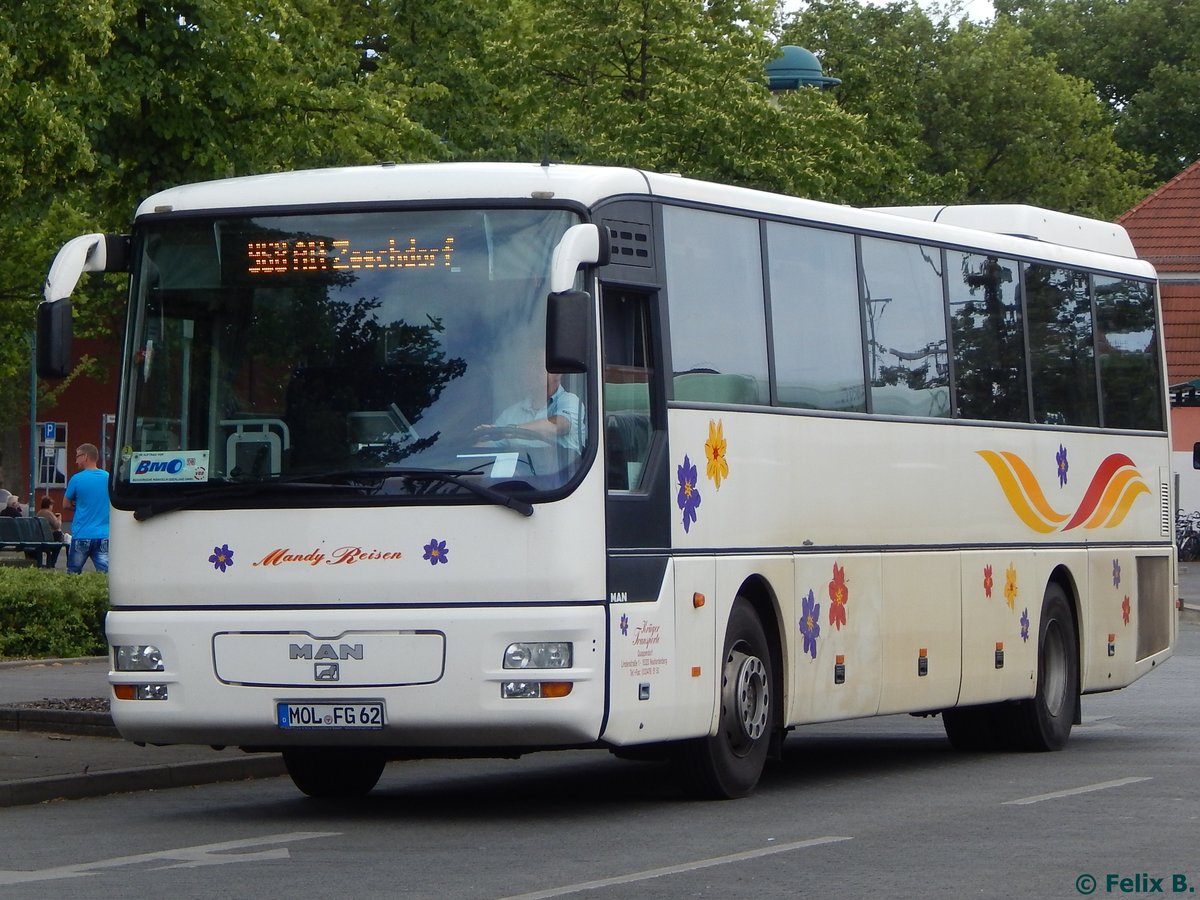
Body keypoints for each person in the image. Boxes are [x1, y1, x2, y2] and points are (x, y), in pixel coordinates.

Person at [475, 359, 585, 453]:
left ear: (557, 373)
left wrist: (510, 430)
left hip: (565, 475)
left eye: (538, 366)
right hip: (519, 476)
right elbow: (485, 448)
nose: (530, 371)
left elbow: (557, 426)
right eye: (528, 366)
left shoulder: (570, 400)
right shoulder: (511, 413)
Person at [63, 443, 109, 574]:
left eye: (78, 456)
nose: (76, 460)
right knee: (105, 573)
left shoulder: (76, 479)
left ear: (86, 457)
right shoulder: (108, 477)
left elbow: (65, 504)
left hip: (82, 534)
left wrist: (77, 506)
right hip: (104, 535)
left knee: (73, 572)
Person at [36, 496, 64, 569]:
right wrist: (59, 518)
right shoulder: (48, 513)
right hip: (48, 539)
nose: (52, 507)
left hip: (40, 539)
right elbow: (57, 525)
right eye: (51, 505)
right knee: (59, 541)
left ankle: (51, 562)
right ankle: (52, 562)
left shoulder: (39, 513)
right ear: (49, 505)